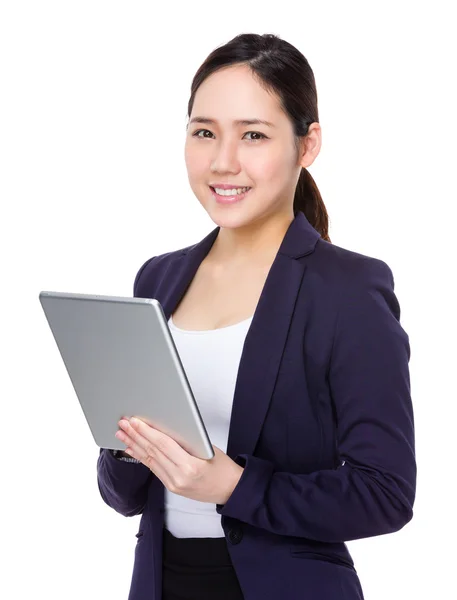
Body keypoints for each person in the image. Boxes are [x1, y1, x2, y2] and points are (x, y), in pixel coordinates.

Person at [97, 32, 416, 600]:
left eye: (253, 135)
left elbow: (385, 493)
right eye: (204, 133)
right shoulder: (158, 279)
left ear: (307, 143)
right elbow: (124, 496)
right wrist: (126, 446)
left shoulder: (348, 290)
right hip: (160, 584)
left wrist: (236, 486)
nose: (223, 162)